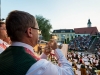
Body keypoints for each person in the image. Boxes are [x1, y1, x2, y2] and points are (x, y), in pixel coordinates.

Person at [0, 10, 74, 75]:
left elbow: (33, 65)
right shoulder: (41, 66)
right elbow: (69, 73)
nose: (39, 33)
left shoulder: (3, 53)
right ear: (30, 32)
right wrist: (56, 49)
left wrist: (44, 54)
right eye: (38, 30)